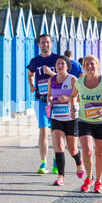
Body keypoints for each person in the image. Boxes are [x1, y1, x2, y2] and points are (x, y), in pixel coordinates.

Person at [70, 55, 102, 193]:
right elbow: (73, 96)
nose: (90, 66)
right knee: (87, 150)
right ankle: (89, 177)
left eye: (92, 64)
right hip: (84, 120)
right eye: (87, 65)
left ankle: (98, 181)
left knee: (100, 153)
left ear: (98, 65)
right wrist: (73, 107)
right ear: (84, 67)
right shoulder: (79, 82)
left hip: (101, 122)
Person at [47, 55, 84, 186]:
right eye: (58, 64)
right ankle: (61, 176)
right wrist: (50, 100)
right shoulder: (51, 80)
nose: (60, 66)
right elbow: (49, 95)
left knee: (72, 149)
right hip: (57, 116)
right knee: (59, 147)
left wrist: (68, 98)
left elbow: (80, 98)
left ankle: (79, 162)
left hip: (71, 117)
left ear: (68, 66)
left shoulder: (73, 79)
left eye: (63, 63)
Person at [27, 34, 58, 174]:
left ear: (51, 44)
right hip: (41, 100)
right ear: (39, 45)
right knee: (44, 130)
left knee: (57, 132)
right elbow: (30, 74)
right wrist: (31, 85)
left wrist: (51, 73)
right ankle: (43, 162)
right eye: (42, 43)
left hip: (57, 101)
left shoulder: (57, 59)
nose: (45, 45)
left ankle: (57, 161)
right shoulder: (35, 61)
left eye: (47, 42)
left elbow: (64, 77)